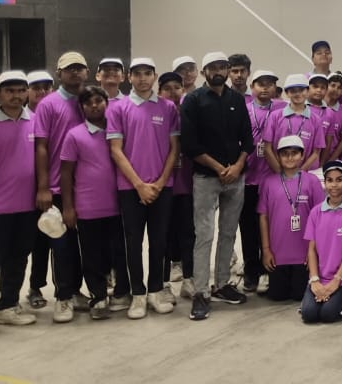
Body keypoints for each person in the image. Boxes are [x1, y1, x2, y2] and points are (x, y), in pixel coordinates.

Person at [180, 51, 256, 321]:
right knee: (204, 235)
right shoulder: (193, 100)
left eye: (222, 67)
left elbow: (248, 140)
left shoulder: (237, 100)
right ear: (204, 72)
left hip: (236, 177)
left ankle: (222, 284)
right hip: (206, 178)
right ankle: (201, 292)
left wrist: (237, 167)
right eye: (212, 67)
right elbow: (190, 145)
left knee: (228, 233)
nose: (218, 71)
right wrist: (219, 168)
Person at [107, 58, 181, 319]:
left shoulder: (168, 107)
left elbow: (174, 149)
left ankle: (156, 291)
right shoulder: (118, 108)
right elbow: (116, 150)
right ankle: (137, 294)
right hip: (130, 188)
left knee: (159, 241)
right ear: (129, 77)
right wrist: (139, 185)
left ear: (154, 76)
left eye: (147, 73)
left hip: (162, 187)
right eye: (137, 74)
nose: (142, 78)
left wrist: (160, 183)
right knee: (133, 242)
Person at [59, 85, 127, 321]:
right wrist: (68, 207)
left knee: (119, 252)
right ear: (82, 107)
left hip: (118, 205)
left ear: (107, 103)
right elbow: (66, 173)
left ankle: (122, 292)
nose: (94, 106)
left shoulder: (117, 132)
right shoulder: (74, 135)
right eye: (88, 103)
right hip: (88, 208)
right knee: (92, 254)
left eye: (99, 101)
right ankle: (98, 297)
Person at [33, 51, 92, 323]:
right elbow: (41, 147)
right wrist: (43, 187)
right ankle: (63, 297)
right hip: (58, 188)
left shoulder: (90, 101)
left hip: (88, 188)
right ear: (59, 74)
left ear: (87, 72)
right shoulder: (49, 104)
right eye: (69, 69)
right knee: (62, 246)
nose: (75, 72)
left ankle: (76, 291)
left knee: (84, 245)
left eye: (79, 68)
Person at [0, 71, 40, 327]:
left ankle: (7, 306)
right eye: (9, 91)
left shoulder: (35, 121)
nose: (16, 96)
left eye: (20, 90)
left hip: (26, 206)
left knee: (18, 256)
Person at [258, 135, 323, 303]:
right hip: (277, 255)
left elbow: (320, 218)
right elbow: (263, 217)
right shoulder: (269, 182)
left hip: (304, 254)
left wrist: (314, 251)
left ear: (302, 155)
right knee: (277, 296)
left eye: (294, 153)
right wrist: (266, 250)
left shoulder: (312, 181)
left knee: (299, 295)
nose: (290, 157)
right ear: (278, 156)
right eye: (285, 154)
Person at [240, 69, 283, 294]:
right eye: (260, 84)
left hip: (272, 178)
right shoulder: (243, 110)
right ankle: (251, 270)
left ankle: (269, 270)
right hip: (248, 179)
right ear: (252, 87)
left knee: (272, 227)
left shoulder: (282, 109)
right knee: (248, 227)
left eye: (270, 84)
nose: (265, 88)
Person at [300, 161, 342, 323]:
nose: (334, 185)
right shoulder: (316, 212)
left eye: (339, 180)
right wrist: (314, 279)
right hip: (320, 275)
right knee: (309, 315)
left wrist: (337, 280)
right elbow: (311, 249)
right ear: (325, 183)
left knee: (328, 314)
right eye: (330, 180)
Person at [157, 71, 193, 302]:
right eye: (167, 88)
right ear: (159, 92)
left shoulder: (190, 114)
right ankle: (163, 285)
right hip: (162, 185)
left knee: (188, 234)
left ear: (183, 89)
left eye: (176, 87)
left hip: (187, 185)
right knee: (163, 237)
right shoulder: (156, 115)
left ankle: (189, 280)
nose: (173, 92)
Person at [25, 70, 55, 309]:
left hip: (54, 187)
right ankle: (28, 289)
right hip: (23, 191)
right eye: (36, 88)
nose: (42, 92)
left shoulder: (54, 115)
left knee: (53, 239)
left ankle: (41, 286)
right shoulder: (21, 117)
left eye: (46, 87)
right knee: (30, 242)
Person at [264, 74, 325, 176]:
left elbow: (316, 152)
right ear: (287, 93)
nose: (297, 94)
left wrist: (299, 173)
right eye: (293, 91)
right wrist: (279, 171)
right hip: (278, 173)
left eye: (301, 90)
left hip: (305, 174)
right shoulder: (275, 116)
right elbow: (267, 148)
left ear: (307, 91)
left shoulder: (315, 119)